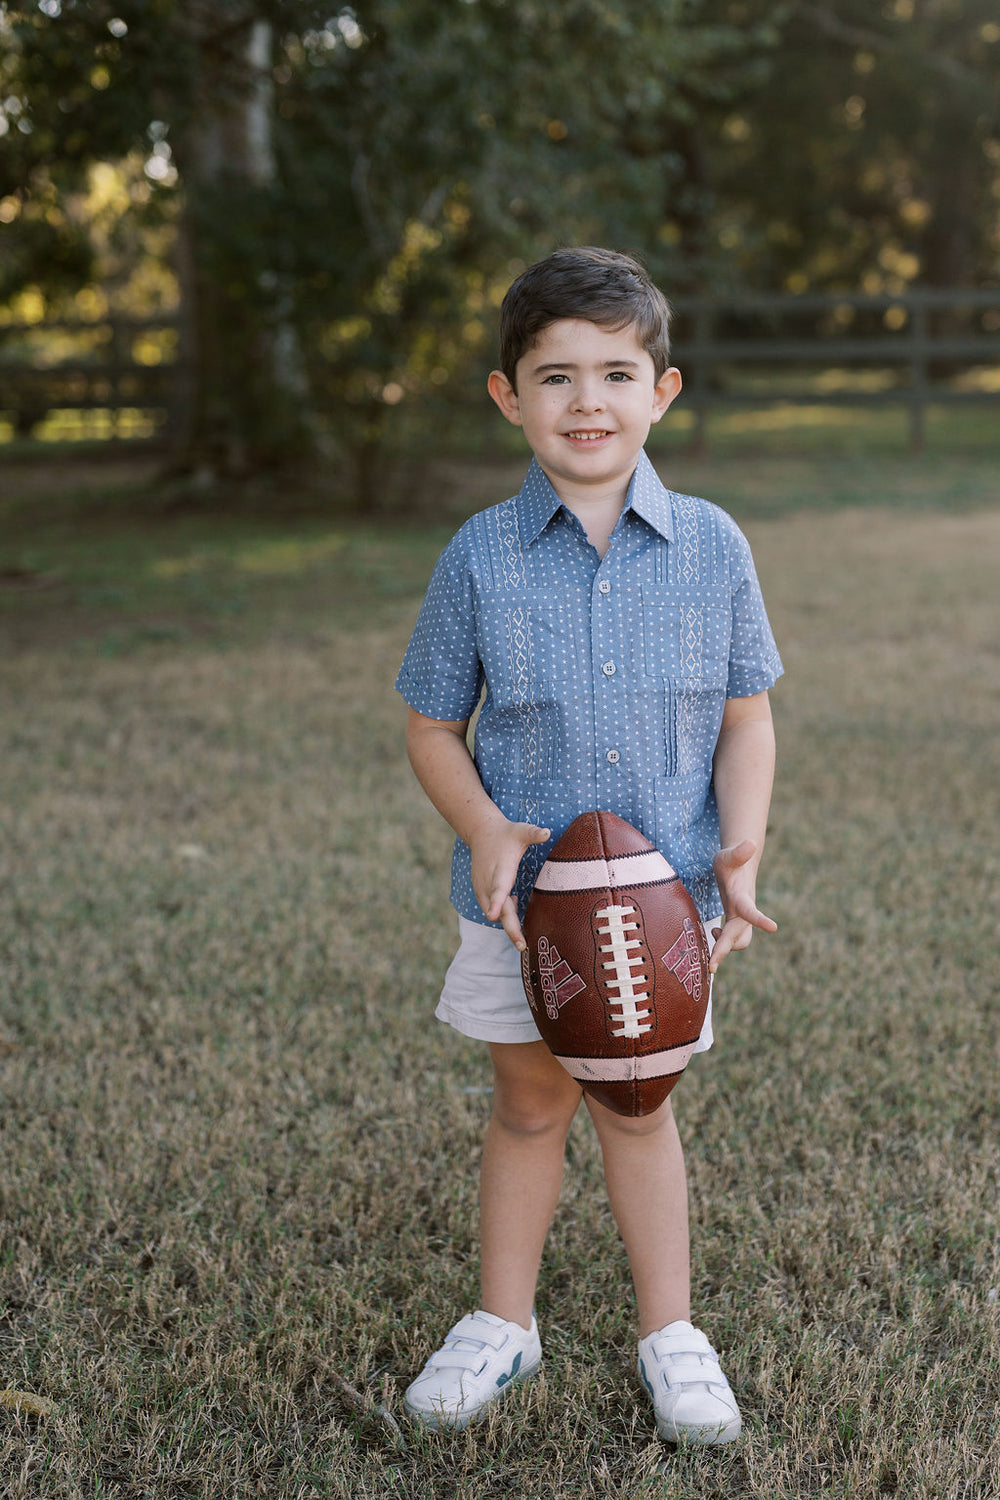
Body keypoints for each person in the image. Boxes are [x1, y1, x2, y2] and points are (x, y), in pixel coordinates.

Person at [394, 246, 782, 1444]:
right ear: (508, 395)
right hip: (523, 911)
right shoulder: (480, 554)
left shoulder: (712, 544)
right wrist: (484, 826)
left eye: (616, 373)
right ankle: (502, 1325)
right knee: (525, 1106)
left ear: (662, 390)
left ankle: (670, 1333)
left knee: (638, 1111)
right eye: (553, 376)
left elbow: (745, 714)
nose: (587, 403)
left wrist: (743, 850)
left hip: (663, 907)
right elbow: (429, 725)